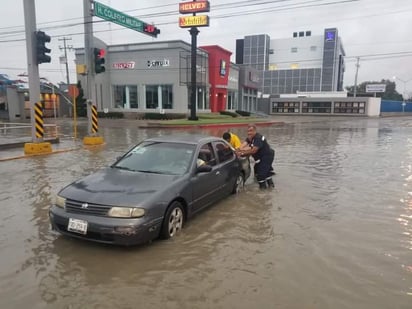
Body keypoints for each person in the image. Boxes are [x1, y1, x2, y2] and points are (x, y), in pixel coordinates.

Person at [237, 124, 275, 189]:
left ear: (255, 131)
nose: (249, 133)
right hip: (260, 157)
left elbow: (253, 151)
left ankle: (263, 191)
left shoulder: (258, 138)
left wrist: (242, 153)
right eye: (248, 131)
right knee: (264, 171)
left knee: (260, 175)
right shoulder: (250, 138)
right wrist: (238, 149)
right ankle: (271, 187)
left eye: (251, 131)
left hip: (267, 156)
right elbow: (243, 145)